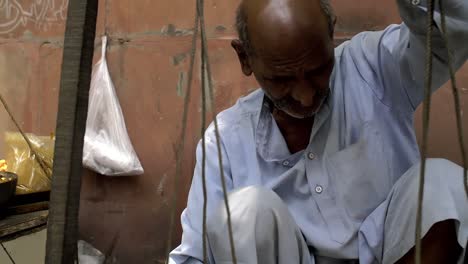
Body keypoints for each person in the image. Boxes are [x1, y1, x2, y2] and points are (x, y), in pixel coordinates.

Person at [169, 0, 468, 263]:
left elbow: (450, 35)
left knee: (443, 183)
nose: (305, 97)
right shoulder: (225, 142)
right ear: (245, 58)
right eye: (282, 79)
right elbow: (195, 255)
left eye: (318, 71)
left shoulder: (374, 67)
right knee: (242, 213)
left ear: (330, 33)